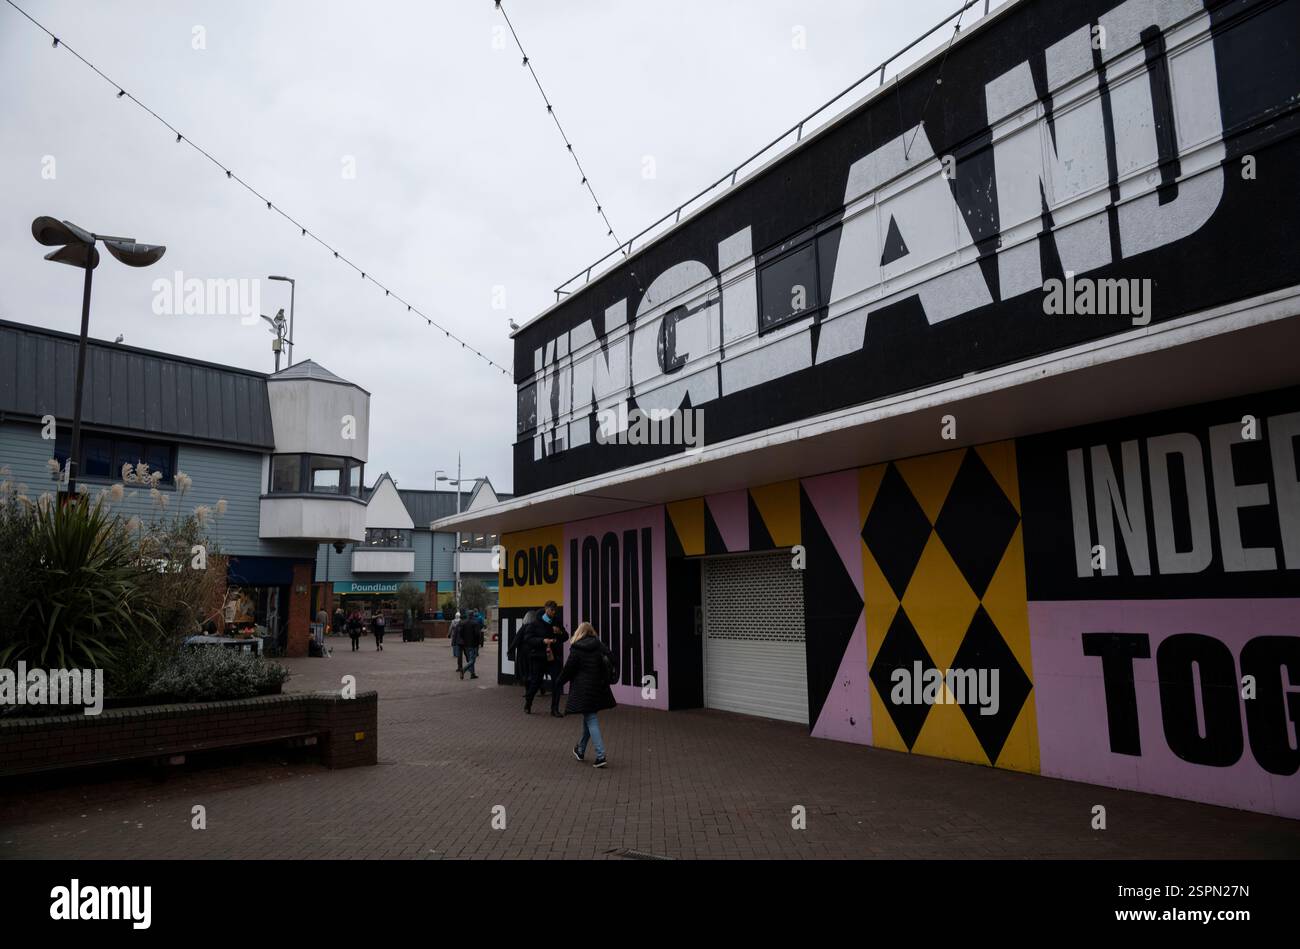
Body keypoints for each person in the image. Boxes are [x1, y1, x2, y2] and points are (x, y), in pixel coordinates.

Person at [558, 622, 617, 768]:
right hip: (598, 688)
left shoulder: (577, 648)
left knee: (590, 718)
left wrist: (558, 682)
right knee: (588, 718)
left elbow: (568, 669)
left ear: (579, 632)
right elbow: (612, 660)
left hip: (583, 689)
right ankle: (580, 750)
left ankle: (600, 755)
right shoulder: (600, 646)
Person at [538, 601, 570, 717]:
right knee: (536, 681)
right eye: (551, 609)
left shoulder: (557, 621)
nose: (553, 612)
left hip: (553, 656)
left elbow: (566, 636)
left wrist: (560, 632)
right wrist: (543, 641)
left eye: (554, 610)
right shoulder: (538, 621)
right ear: (546, 609)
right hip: (541, 656)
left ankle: (554, 709)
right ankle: (528, 702)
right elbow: (531, 638)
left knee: (556, 682)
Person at [508, 610, 536, 691]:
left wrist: (510, 650)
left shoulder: (523, 628)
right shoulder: (536, 627)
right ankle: (540, 688)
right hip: (534, 653)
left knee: (525, 672)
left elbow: (516, 640)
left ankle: (528, 691)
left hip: (523, 654)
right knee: (535, 671)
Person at [455, 612, 484, 680]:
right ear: (473, 616)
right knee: (472, 660)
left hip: (466, 644)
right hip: (473, 644)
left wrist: (464, 639)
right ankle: (464, 669)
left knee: (471, 658)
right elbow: (477, 634)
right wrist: (479, 642)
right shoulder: (475, 623)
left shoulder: (464, 623)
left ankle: (472, 674)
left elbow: (461, 633)